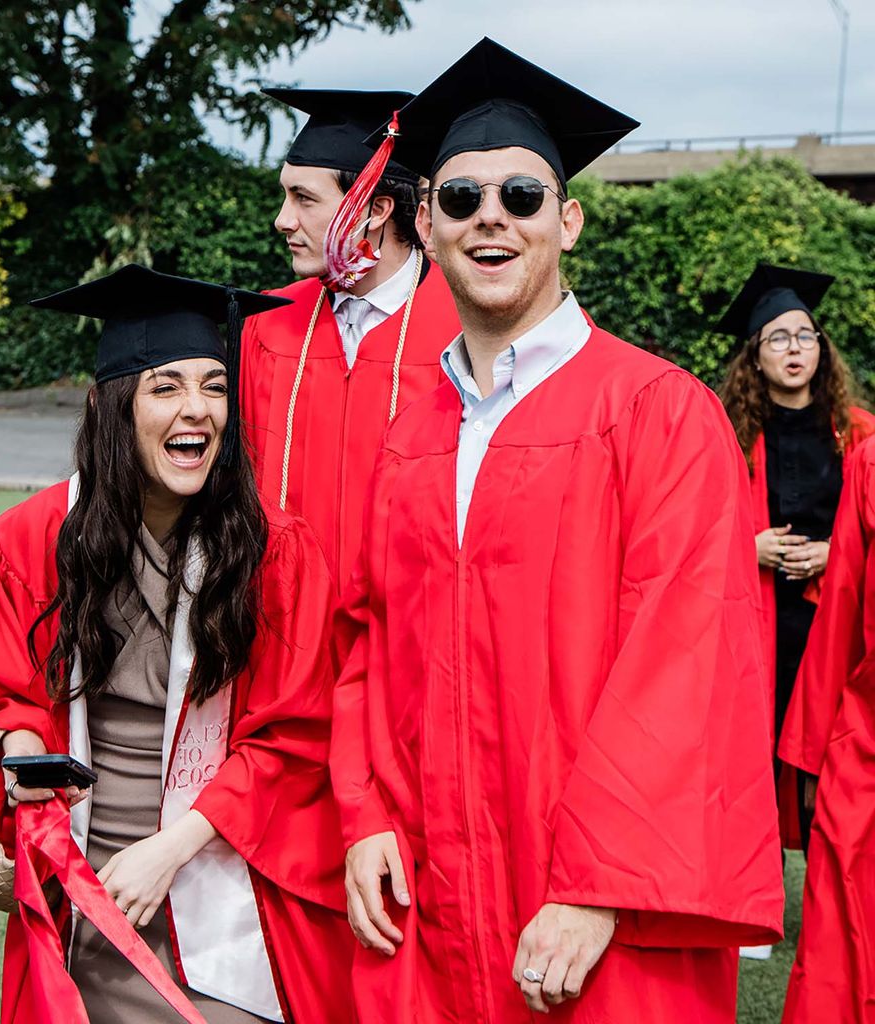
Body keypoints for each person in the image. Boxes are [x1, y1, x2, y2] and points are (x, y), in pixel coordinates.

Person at [330, 38, 784, 1024]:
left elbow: (691, 662)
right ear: (426, 223)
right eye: (459, 198)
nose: (490, 216)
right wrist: (362, 815)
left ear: (567, 220)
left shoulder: (657, 410)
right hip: (425, 896)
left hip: (594, 909)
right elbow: (366, 638)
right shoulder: (410, 431)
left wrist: (599, 885)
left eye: (522, 197)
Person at [0, 264, 354, 1024]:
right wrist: (24, 753)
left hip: (227, 873)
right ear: (108, 406)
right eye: (166, 387)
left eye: (215, 386)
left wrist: (172, 849)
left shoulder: (276, 552)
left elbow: (295, 736)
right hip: (87, 873)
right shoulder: (31, 540)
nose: (198, 409)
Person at [240, 89, 460, 591]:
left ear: (376, 209)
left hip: (406, 628)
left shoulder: (466, 331)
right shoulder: (267, 322)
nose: (282, 220)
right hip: (279, 628)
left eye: (304, 199)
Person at [717, 263, 874, 863]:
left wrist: (836, 556)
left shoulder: (859, 434)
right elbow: (697, 527)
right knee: (753, 749)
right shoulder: (731, 433)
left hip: (834, 622)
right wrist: (747, 548)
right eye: (777, 338)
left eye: (805, 335)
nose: (794, 349)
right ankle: (756, 880)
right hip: (758, 619)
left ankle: (835, 876)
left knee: (829, 753)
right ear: (755, 357)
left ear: (821, 349)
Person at [778, 434, 875, 1023]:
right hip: (864, 745)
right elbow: (840, 603)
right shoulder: (870, 461)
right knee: (841, 949)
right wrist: (813, 754)